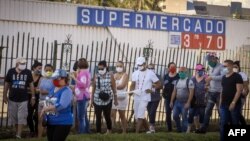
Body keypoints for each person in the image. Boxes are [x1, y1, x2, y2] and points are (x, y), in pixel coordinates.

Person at [3, 57, 35, 139]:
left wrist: (33, 97)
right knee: (14, 117)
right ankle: (17, 132)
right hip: (12, 98)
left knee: (21, 117)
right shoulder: (11, 71)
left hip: (23, 99)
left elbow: (31, 85)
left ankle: (18, 135)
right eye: (22, 63)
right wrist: (4, 95)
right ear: (17, 64)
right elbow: (6, 84)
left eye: (24, 63)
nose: (23, 65)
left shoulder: (27, 72)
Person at [130, 57, 161, 133]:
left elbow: (159, 84)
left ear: (145, 64)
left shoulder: (150, 73)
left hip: (145, 97)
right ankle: (148, 130)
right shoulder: (135, 73)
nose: (139, 66)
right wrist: (131, 91)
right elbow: (133, 84)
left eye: (141, 64)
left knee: (140, 115)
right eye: (138, 65)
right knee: (138, 116)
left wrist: (152, 90)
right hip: (137, 96)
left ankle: (136, 134)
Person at [40, 69, 73, 141]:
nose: (55, 80)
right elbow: (49, 101)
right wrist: (44, 106)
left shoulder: (67, 91)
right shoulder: (53, 89)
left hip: (63, 123)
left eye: (58, 78)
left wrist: (46, 109)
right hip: (51, 122)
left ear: (64, 79)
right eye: (54, 78)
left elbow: (62, 105)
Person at [196, 53, 224, 133]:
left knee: (220, 111)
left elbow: (224, 77)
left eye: (209, 60)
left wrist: (212, 77)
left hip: (219, 93)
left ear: (214, 59)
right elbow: (209, 78)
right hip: (211, 92)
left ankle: (222, 128)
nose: (209, 62)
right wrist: (207, 83)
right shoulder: (210, 68)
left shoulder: (222, 67)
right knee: (207, 110)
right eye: (208, 61)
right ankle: (203, 128)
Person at [91, 60, 118, 134]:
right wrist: (91, 100)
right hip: (97, 100)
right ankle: (98, 132)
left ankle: (109, 130)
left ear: (106, 67)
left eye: (102, 69)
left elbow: (114, 87)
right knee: (98, 117)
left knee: (107, 116)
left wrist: (115, 99)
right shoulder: (96, 75)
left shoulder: (110, 75)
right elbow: (93, 88)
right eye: (99, 69)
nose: (100, 70)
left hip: (108, 100)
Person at [219, 60, 243, 141]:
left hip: (234, 104)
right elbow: (222, 90)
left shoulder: (237, 76)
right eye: (223, 66)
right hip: (224, 104)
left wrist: (233, 102)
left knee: (234, 123)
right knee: (223, 123)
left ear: (231, 66)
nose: (223, 68)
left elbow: (239, 90)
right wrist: (220, 102)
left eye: (225, 66)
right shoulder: (223, 77)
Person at [170, 67, 194, 132]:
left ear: (186, 73)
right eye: (180, 72)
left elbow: (191, 93)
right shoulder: (177, 81)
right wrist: (171, 101)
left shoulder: (189, 81)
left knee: (184, 117)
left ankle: (184, 131)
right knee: (175, 116)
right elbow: (174, 92)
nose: (180, 73)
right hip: (177, 102)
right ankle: (179, 128)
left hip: (185, 102)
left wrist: (188, 102)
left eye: (182, 72)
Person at [70, 58, 91, 134]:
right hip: (84, 95)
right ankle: (86, 131)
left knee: (81, 118)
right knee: (84, 116)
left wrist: (74, 78)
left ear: (78, 65)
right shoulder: (87, 72)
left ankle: (81, 133)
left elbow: (83, 85)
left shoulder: (82, 73)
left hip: (82, 97)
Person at [187, 64, 207, 133]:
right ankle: (189, 128)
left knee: (202, 114)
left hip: (202, 100)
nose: (202, 71)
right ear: (196, 71)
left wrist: (207, 88)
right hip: (193, 100)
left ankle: (201, 129)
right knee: (191, 114)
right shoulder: (192, 79)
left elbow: (209, 87)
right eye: (200, 70)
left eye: (203, 70)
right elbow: (190, 89)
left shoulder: (205, 78)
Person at [111, 61, 129, 134]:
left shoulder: (125, 75)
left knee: (122, 115)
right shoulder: (114, 75)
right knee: (112, 114)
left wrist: (113, 86)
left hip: (122, 98)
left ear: (123, 67)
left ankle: (124, 131)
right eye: (117, 66)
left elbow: (122, 86)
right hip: (114, 97)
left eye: (120, 66)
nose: (119, 67)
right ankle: (111, 130)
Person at [37, 64, 55, 138]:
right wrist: (39, 90)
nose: (48, 71)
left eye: (49, 70)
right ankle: (39, 137)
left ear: (52, 71)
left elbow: (55, 91)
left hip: (49, 102)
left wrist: (46, 92)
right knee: (40, 120)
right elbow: (37, 88)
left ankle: (49, 136)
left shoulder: (54, 80)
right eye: (46, 70)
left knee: (49, 121)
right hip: (41, 101)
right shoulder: (41, 79)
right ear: (44, 70)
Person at [27, 60, 43, 137]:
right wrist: (34, 90)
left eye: (41, 68)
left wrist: (31, 89)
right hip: (28, 98)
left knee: (37, 116)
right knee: (28, 115)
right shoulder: (29, 76)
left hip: (38, 98)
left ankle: (37, 132)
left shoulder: (42, 77)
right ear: (33, 68)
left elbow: (39, 90)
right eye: (39, 68)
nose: (40, 70)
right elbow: (25, 89)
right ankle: (32, 131)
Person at [162, 62, 179, 132]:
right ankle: (170, 129)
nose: (173, 68)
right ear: (168, 68)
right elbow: (163, 85)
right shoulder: (165, 76)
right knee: (168, 114)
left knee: (176, 114)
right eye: (171, 67)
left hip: (176, 98)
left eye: (174, 67)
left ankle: (179, 128)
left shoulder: (178, 76)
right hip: (167, 98)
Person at [146, 63, 162, 134]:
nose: (150, 69)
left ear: (154, 69)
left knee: (152, 112)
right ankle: (151, 126)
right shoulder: (146, 76)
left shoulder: (158, 76)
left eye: (152, 68)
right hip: (147, 97)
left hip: (155, 98)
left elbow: (161, 86)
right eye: (149, 68)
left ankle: (152, 126)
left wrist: (154, 86)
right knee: (150, 113)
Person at [233, 61, 249, 125]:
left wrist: (245, 92)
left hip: (241, 95)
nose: (234, 68)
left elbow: (246, 84)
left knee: (237, 111)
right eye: (233, 67)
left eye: (235, 67)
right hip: (234, 95)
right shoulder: (232, 74)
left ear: (238, 67)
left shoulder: (242, 74)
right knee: (235, 111)